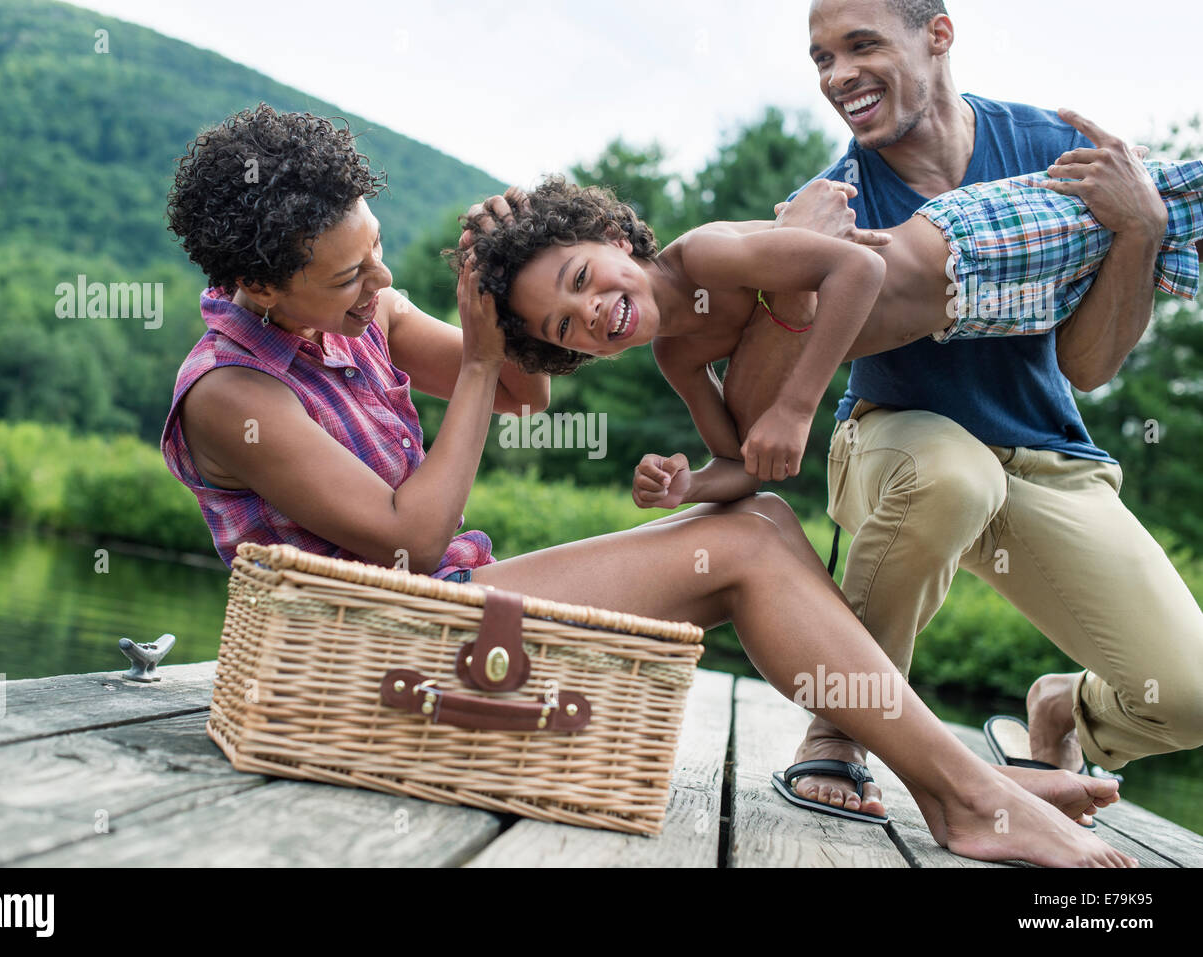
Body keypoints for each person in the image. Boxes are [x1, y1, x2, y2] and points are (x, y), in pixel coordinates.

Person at [159, 104, 1131, 865]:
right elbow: (407, 540)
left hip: (435, 612)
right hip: (368, 657)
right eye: (347, 277)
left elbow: (529, 391)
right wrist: (488, 363)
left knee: (751, 519)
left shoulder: (357, 311)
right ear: (258, 290)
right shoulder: (231, 395)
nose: (377, 285)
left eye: (373, 252)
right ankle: (966, 794)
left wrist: (491, 276)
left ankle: (959, 777)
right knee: (746, 539)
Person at [753, 0, 1203, 823]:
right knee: (951, 476)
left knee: (1188, 696)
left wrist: (1140, 235)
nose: (838, 75)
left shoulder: (1048, 153)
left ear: (938, 33)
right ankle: (840, 728)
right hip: (897, 445)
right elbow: (760, 371)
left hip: (1045, 461)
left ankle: (1062, 708)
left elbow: (1087, 365)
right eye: (821, 58)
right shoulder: (830, 204)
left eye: (860, 45)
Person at [455, 163, 1200, 481]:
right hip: (981, 317)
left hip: (968, 245)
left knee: (1167, 202)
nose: (589, 311)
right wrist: (684, 485)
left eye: (581, 279)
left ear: (618, 241)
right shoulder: (678, 359)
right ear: (574, 354)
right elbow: (740, 458)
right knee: (1168, 260)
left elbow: (860, 268)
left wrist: (796, 406)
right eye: (564, 327)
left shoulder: (709, 256)